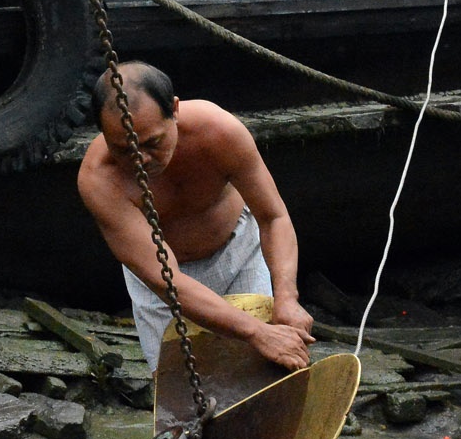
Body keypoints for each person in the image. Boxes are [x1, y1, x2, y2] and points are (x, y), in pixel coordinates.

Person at [76, 60, 316, 373]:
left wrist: (286, 296)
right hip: (163, 285)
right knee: (181, 398)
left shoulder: (219, 131)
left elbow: (273, 217)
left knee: (263, 376)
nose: (141, 161)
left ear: (174, 110)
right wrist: (257, 331)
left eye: (153, 143)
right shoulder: (99, 180)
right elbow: (168, 281)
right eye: (124, 150)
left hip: (238, 253)